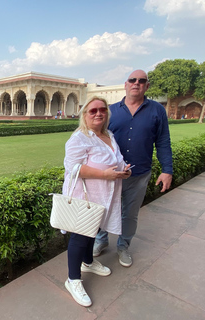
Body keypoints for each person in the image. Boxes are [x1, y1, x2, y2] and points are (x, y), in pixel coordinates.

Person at [93, 70, 173, 267]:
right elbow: (96, 139)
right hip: (111, 173)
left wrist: (167, 170)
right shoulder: (110, 111)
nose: (137, 83)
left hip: (139, 174)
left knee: (130, 213)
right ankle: (100, 240)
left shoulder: (156, 111)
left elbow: (163, 141)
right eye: (133, 80)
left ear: (146, 86)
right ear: (126, 84)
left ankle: (123, 246)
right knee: (103, 209)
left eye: (142, 80)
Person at [63, 96, 131, 307]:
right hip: (84, 196)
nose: (98, 113)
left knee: (93, 230)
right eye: (93, 111)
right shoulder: (80, 137)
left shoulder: (108, 135)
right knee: (80, 235)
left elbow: (116, 160)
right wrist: (105, 175)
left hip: (103, 195)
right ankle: (73, 280)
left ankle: (88, 262)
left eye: (102, 110)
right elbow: (72, 168)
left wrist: (123, 171)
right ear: (85, 114)